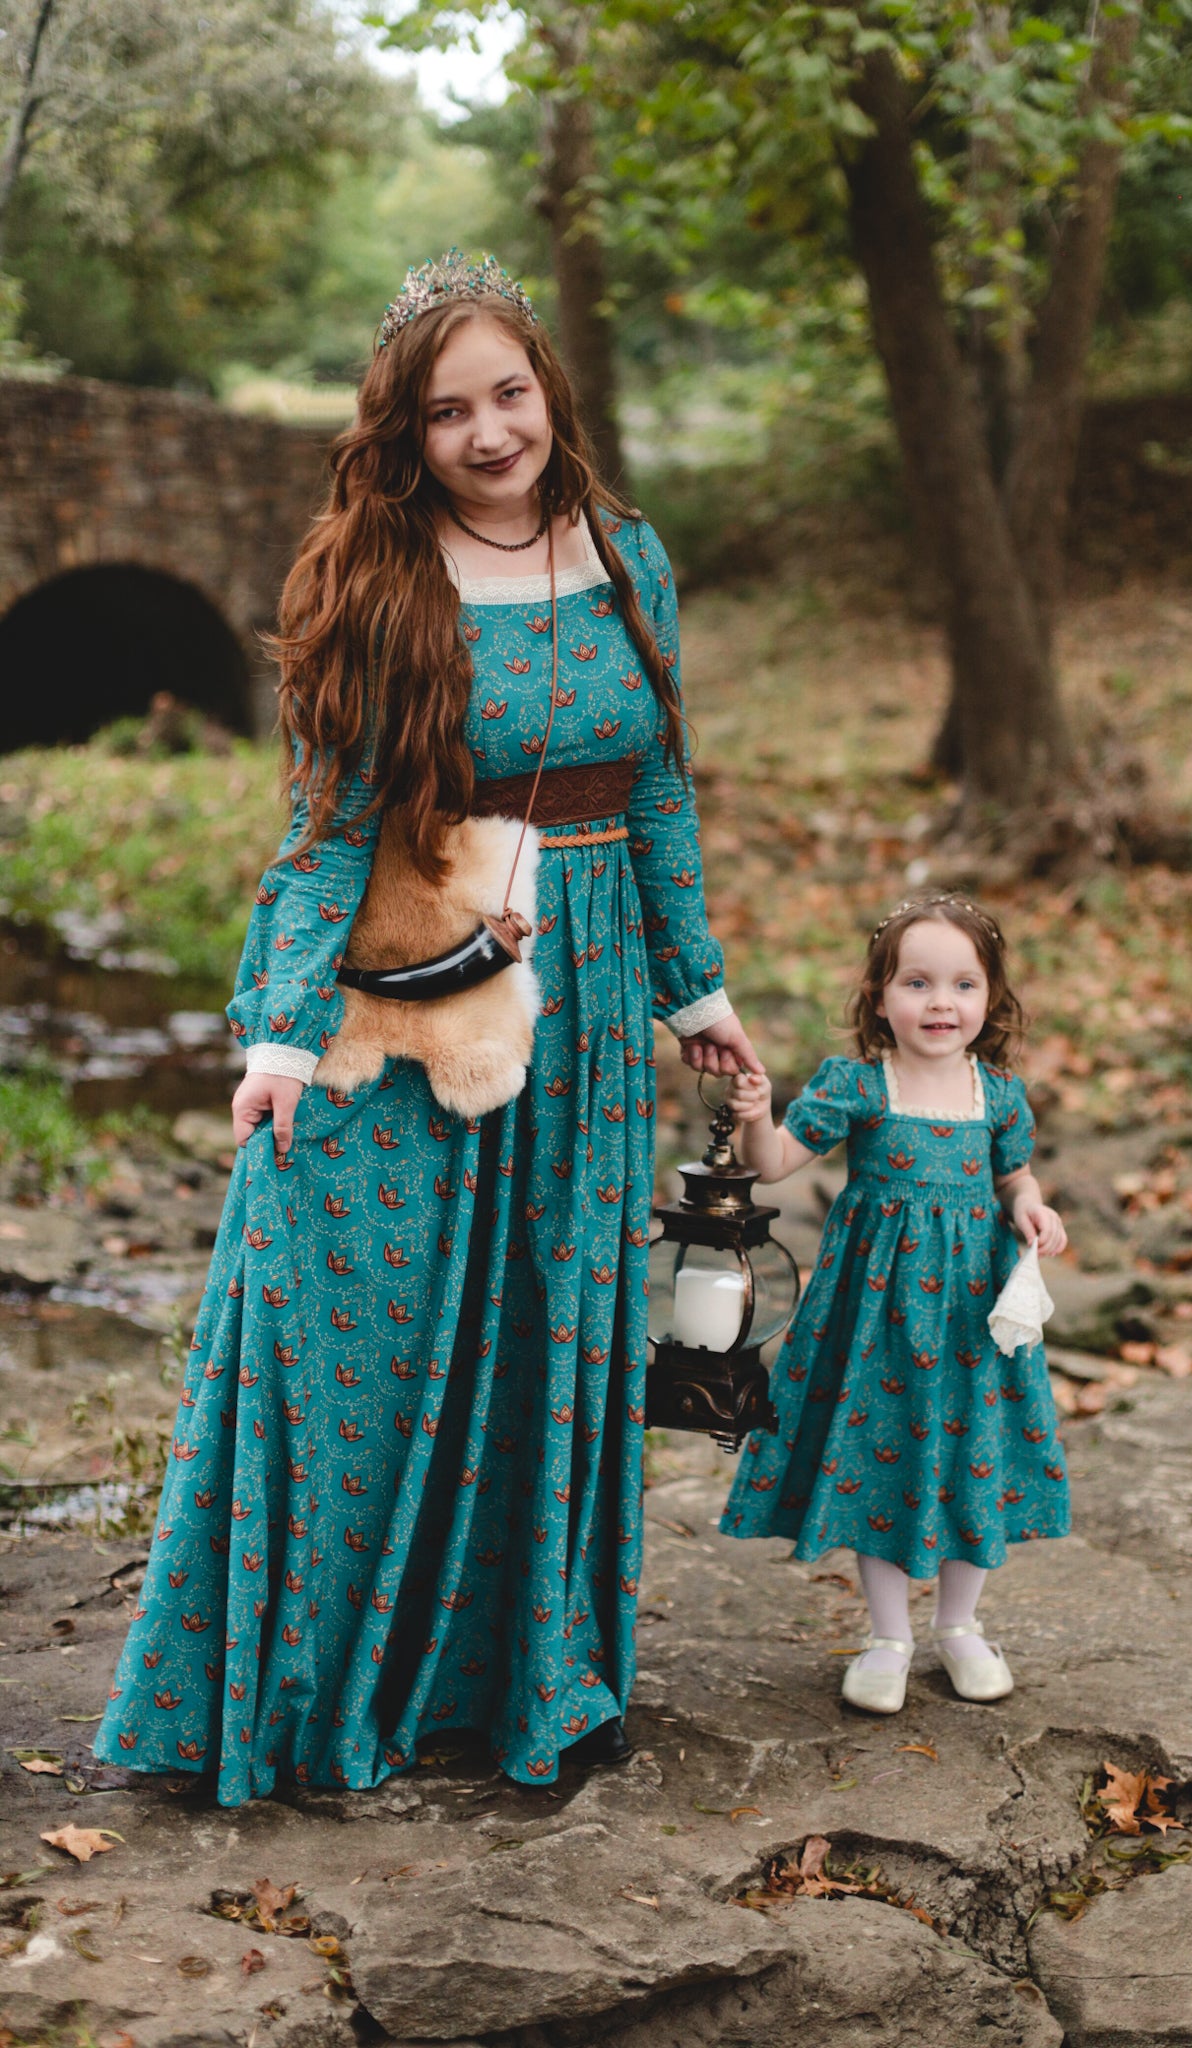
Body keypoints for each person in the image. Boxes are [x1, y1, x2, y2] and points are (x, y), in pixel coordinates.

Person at [94, 250, 760, 1803]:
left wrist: (695, 988)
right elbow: (326, 832)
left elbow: (658, 786)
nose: (486, 433)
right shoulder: (363, 574)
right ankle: (312, 1693)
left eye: (508, 395)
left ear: (549, 391)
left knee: (548, 1324)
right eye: (448, 410)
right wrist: (275, 1029)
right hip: (413, 983)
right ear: (404, 429)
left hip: (584, 997)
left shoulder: (628, 556)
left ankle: (517, 1677)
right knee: (359, 1326)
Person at [717, 894, 1068, 1713]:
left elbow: (1013, 1175)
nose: (940, 1003)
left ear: (990, 999)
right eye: (916, 983)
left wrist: (1030, 1207)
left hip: (971, 1312)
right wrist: (754, 1117)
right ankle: (887, 1637)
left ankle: (958, 1626)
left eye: (962, 985)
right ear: (880, 997)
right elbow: (772, 1164)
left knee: (972, 1445)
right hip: (874, 1312)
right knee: (876, 1448)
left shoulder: (999, 1094)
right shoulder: (859, 1084)